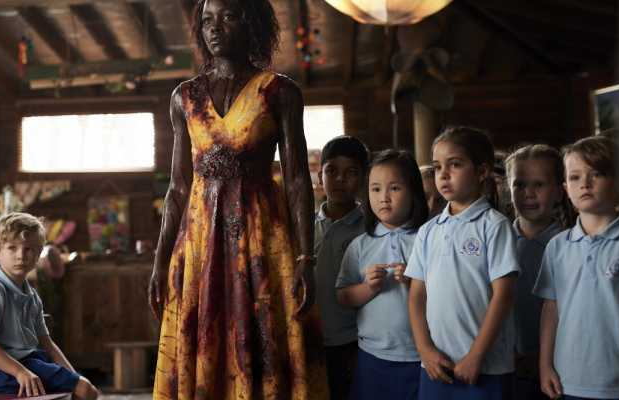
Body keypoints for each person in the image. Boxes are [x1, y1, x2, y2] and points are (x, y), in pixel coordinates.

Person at [147, 0, 328, 398]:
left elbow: (298, 179)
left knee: (264, 340)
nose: (215, 28)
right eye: (207, 20)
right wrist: (160, 261)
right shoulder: (184, 97)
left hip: (264, 241)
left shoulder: (279, 92)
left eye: (228, 17)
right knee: (202, 337)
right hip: (199, 245)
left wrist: (305, 257)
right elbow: (178, 188)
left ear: (250, 23)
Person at [406, 126, 520, 399]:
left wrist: (475, 356)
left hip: (484, 367)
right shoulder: (428, 231)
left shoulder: (494, 226)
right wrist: (425, 350)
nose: (443, 174)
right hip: (437, 365)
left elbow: (503, 296)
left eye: (455, 164)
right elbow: (416, 296)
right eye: (437, 167)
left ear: (481, 172)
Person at [534, 136, 619, 400]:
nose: (584, 183)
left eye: (596, 174)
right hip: (567, 383)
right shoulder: (557, 246)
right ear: (565, 188)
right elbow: (551, 311)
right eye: (574, 177)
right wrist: (544, 365)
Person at [0, 212, 99, 399]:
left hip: (32, 362)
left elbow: (47, 345)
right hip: (2, 372)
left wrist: (74, 376)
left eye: (28, 249)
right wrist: (20, 372)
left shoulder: (32, 295)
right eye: (12, 248)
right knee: (85, 390)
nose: (21, 256)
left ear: (38, 254)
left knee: (85, 389)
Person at [336, 149, 429, 400]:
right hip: (372, 355)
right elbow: (343, 297)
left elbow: (447, 297)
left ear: (414, 192)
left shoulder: (428, 239)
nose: (384, 198)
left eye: (394, 188)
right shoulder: (360, 245)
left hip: (422, 354)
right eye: (375, 189)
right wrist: (369, 288)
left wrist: (415, 284)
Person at [504, 144, 571, 400]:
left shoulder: (570, 246)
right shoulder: (496, 242)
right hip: (504, 362)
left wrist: (543, 358)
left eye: (539, 185)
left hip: (557, 369)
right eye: (519, 185)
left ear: (560, 191)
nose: (528, 194)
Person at [314, 135, 369, 400]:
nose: (340, 179)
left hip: (352, 341)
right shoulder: (303, 227)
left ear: (364, 179)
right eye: (332, 171)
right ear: (319, 176)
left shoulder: (370, 229)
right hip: (310, 338)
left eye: (351, 173)